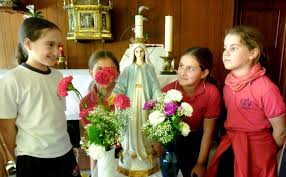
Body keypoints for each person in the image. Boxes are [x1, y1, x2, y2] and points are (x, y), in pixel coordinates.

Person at [0, 17, 81, 177]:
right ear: (28, 44)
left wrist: (67, 145)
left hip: (64, 152)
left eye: (58, 46)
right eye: (50, 45)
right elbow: (6, 128)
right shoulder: (12, 80)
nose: (57, 52)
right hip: (33, 158)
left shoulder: (57, 76)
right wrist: (18, 157)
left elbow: (57, 116)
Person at [205, 25, 286, 177]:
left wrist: (265, 150)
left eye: (233, 48)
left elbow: (280, 131)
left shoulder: (266, 88)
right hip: (230, 144)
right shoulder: (228, 83)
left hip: (256, 151)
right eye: (225, 48)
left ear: (253, 52)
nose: (225, 54)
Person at [161, 47, 221, 177]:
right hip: (171, 140)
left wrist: (201, 163)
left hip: (197, 140)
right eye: (181, 66)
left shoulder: (211, 92)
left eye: (190, 69)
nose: (182, 72)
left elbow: (208, 132)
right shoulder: (167, 90)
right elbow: (160, 127)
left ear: (204, 73)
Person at [112, 43, 162, 176]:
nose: (139, 54)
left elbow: (155, 86)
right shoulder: (128, 69)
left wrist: (158, 98)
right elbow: (121, 85)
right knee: (131, 125)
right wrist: (116, 95)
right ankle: (131, 151)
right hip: (131, 102)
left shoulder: (149, 68)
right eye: (136, 51)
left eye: (141, 51)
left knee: (144, 125)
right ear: (133, 53)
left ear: (145, 53)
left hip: (145, 102)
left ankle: (145, 152)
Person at [79, 50, 120, 177]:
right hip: (103, 157)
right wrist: (93, 171)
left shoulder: (125, 97)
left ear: (118, 73)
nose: (106, 73)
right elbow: (94, 141)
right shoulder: (85, 103)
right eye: (100, 69)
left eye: (111, 69)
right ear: (91, 73)